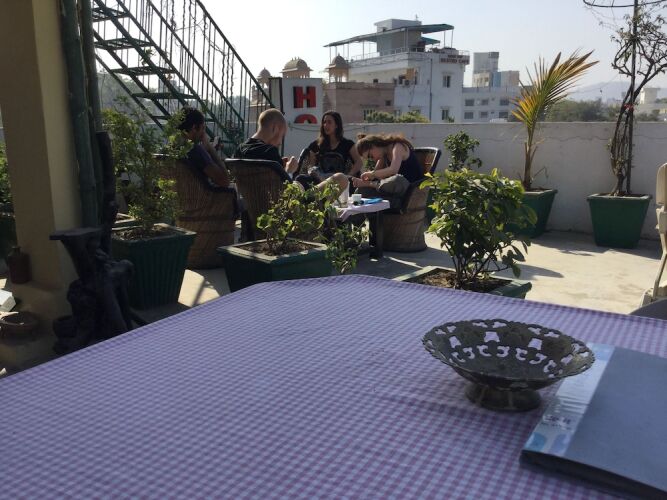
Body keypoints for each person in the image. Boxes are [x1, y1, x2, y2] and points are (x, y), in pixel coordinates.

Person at [235, 108, 348, 193]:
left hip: (251, 207)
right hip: (287, 208)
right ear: (275, 128)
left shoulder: (239, 150)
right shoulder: (269, 151)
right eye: (282, 136)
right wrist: (289, 170)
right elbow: (286, 190)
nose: (280, 142)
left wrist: (280, 167)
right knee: (340, 178)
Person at [351, 133, 423, 206]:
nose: (374, 159)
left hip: (410, 189)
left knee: (397, 179)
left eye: (371, 156)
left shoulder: (397, 146)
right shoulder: (383, 155)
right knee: (362, 190)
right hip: (394, 193)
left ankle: (386, 202)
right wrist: (366, 179)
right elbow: (375, 177)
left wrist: (371, 176)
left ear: (374, 145)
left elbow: (393, 170)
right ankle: (387, 203)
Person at [178, 107, 230, 188]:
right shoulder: (195, 151)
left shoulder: (170, 149)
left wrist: (204, 151)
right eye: (203, 128)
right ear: (194, 128)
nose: (203, 132)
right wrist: (210, 148)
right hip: (200, 195)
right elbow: (225, 181)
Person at [305, 111, 363, 179]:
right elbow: (310, 166)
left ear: (336, 125)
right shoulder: (315, 145)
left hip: (340, 181)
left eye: (329, 122)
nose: (325, 125)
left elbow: (359, 162)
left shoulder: (348, 144)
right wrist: (313, 172)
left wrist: (348, 176)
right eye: (324, 122)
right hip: (321, 181)